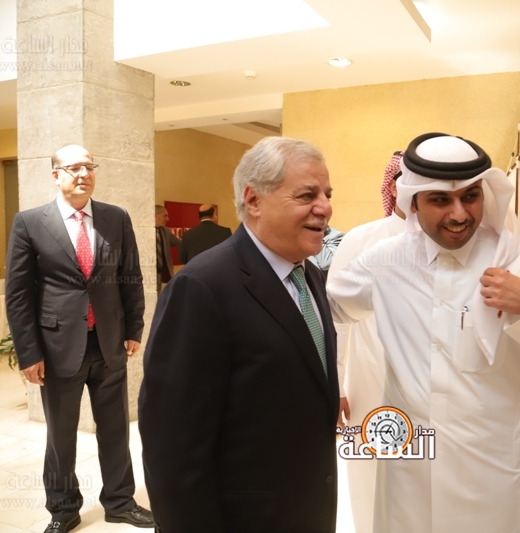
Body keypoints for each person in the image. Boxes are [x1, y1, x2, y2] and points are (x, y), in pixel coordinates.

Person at [327, 133, 520, 532]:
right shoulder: (386, 262)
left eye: (470, 197)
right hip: (410, 480)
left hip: (490, 480)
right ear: (413, 202)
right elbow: (324, 311)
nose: (459, 214)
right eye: (440, 200)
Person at [138, 136, 339, 533]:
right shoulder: (202, 287)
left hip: (307, 509)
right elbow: (173, 446)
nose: (326, 207)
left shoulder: (310, 275)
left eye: (327, 195)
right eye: (307, 195)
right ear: (254, 200)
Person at [5, 145, 154, 533]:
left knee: (116, 429)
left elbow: (131, 277)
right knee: (61, 435)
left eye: (89, 166)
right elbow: (18, 294)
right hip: (56, 348)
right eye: (74, 168)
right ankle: (63, 508)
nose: (84, 174)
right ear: (56, 175)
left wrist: (133, 328)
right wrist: (28, 353)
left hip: (109, 342)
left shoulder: (115, 218)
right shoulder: (30, 222)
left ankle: (120, 502)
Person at [331, 151, 406, 533]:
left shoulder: (447, 242)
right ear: (392, 186)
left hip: (432, 391)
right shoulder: (362, 239)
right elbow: (336, 320)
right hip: (369, 385)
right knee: (369, 477)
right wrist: (336, 386)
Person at [155, 205, 181, 293]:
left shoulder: (165, 231)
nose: (167, 219)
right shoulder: (144, 231)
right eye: (165, 216)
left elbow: (178, 243)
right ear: (155, 215)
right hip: (147, 272)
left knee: (157, 295)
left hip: (160, 272)